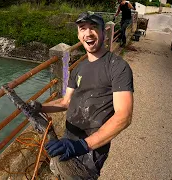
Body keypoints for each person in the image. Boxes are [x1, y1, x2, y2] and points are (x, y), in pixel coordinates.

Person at [40, 11, 134, 178]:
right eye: (83, 28)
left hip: (90, 151)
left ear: (104, 32)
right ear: (78, 35)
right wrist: (39, 107)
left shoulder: (118, 67)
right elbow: (65, 102)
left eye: (94, 27)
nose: (88, 33)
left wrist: (82, 146)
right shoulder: (78, 68)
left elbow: (123, 116)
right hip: (68, 139)